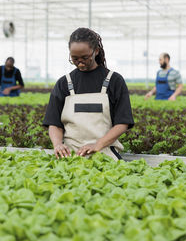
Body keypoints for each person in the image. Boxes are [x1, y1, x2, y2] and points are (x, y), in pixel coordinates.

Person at [43, 27, 134, 160]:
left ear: (96, 51)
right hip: (70, 156)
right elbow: (54, 123)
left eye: (85, 58)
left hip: (105, 154)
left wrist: (98, 144)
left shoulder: (114, 81)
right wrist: (57, 144)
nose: (80, 63)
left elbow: (122, 123)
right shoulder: (64, 83)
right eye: (74, 58)